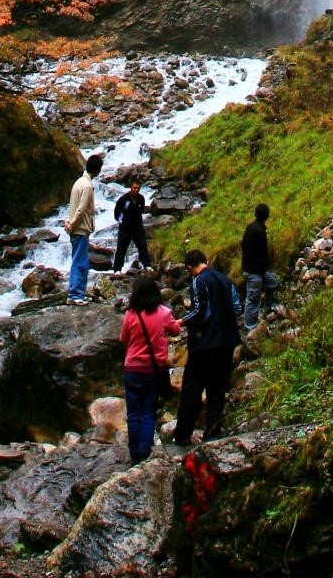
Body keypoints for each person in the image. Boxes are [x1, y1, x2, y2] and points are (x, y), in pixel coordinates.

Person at [172, 248, 240, 446]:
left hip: (205, 345)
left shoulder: (198, 281)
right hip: (227, 342)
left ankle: (183, 434)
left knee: (192, 389)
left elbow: (199, 311)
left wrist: (181, 322)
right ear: (206, 260)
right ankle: (213, 433)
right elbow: (236, 307)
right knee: (217, 389)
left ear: (189, 268)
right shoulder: (225, 279)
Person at [119, 274, 183, 462]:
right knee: (148, 411)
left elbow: (123, 339)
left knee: (133, 413)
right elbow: (175, 330)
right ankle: (144, 449)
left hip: (133, 368)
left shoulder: (130, 314)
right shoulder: (163, 313)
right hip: (154, 369)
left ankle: (133, 450)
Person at [64, 152, 103, 302]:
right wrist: (72, 224)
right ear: (98, 170)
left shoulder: (78, 182)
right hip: (80, 229)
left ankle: (77, 293)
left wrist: (68, 221)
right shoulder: (87, 186)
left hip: (75, 228)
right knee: (80, 262)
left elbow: (72, 206)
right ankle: (75, 294)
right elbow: (81, 209)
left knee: (79, 260)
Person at [241, 202, 276, 330]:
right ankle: (250, 327)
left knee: (272, 283)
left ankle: (267, 311)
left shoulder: (251, 227)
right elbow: (261, 252)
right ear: (267, 216)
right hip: (254, 270)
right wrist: (264, 267)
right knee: (253, 298)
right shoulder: (259, 231)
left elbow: (243, 246)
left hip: (254, 268)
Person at [113, 179, 150, 272]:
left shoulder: (141, 198)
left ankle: (147, 265)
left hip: (138, 227)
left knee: (143, 246)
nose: (136, 190)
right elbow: (117, 212)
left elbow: (141, 210)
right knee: (121, 249)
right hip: (125, 228)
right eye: (135, 188)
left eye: (138, 188)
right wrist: (122, 221)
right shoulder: (123, 199)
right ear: (131, 188)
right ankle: (117, 269)